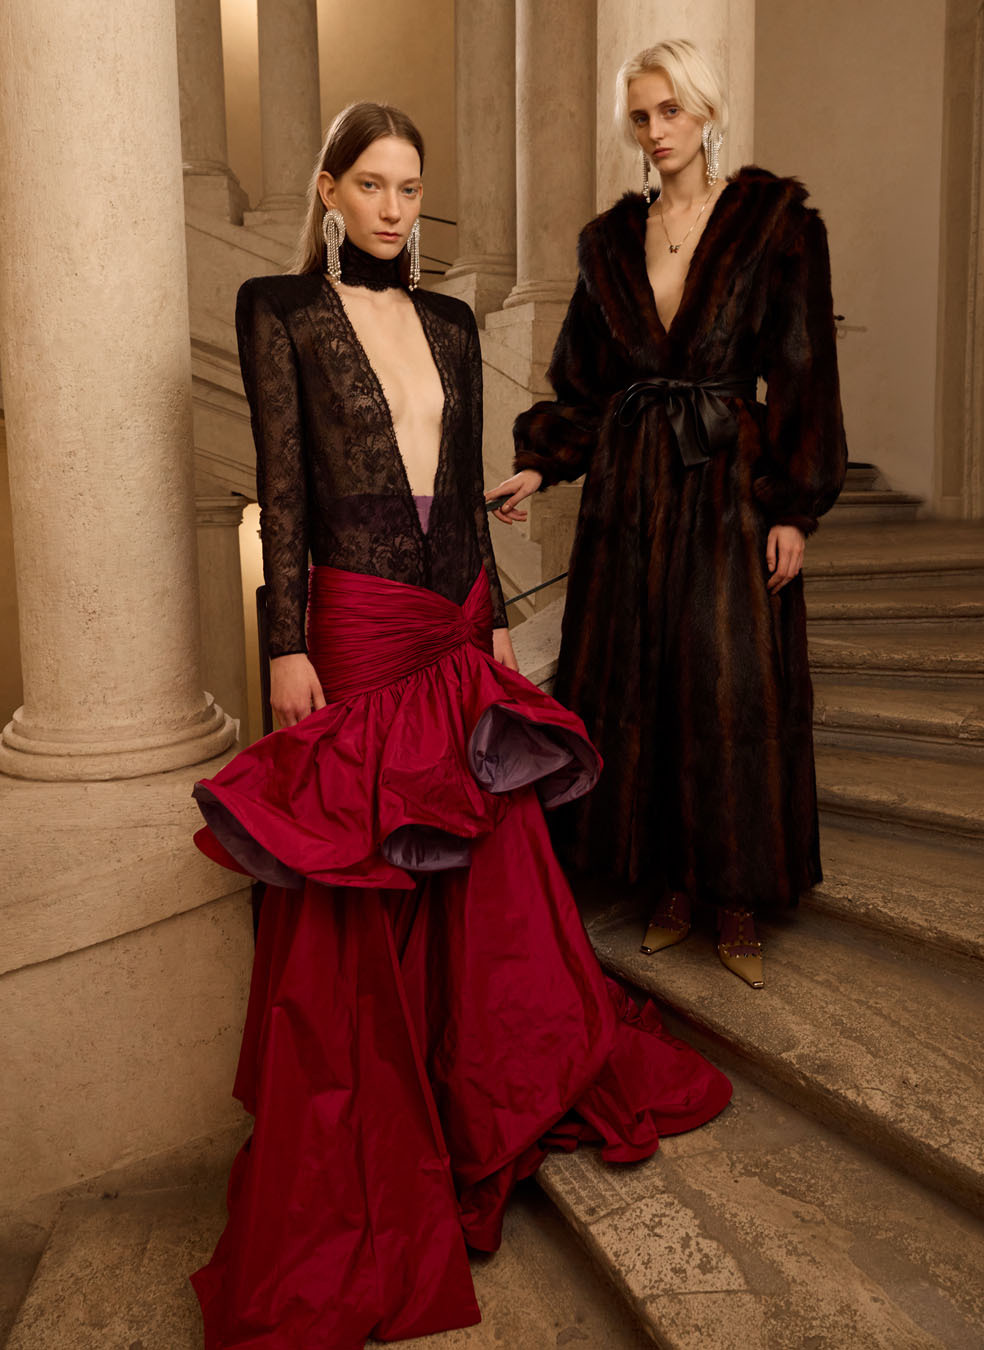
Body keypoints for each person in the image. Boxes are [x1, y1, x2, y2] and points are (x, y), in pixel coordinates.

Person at [189, 101, 731, 1349]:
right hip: (353, 627)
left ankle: (474, 1099)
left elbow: (467, 490)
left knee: (483, 872)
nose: (393, 208)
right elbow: (284, 485)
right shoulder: (279, 310)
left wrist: (487, 623)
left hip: (448, 623)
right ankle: (387, 1128)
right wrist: (284, 641)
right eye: (371, 185)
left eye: (410, 187)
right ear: (328, 192)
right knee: (365, 878)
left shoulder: (450, 323)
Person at [488, 39, 847, 990]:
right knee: (646, 683)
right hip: (630, 487)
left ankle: (736, 893)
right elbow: (584, 381)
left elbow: (804, 370)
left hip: (728, 482)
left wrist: (793, 509)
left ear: (705, 109)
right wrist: (541, 464)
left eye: (671, 110)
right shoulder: (609, 242)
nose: (655, 131)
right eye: (641, 115)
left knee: (729, 686)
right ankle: (671, 883)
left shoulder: (774, 223)